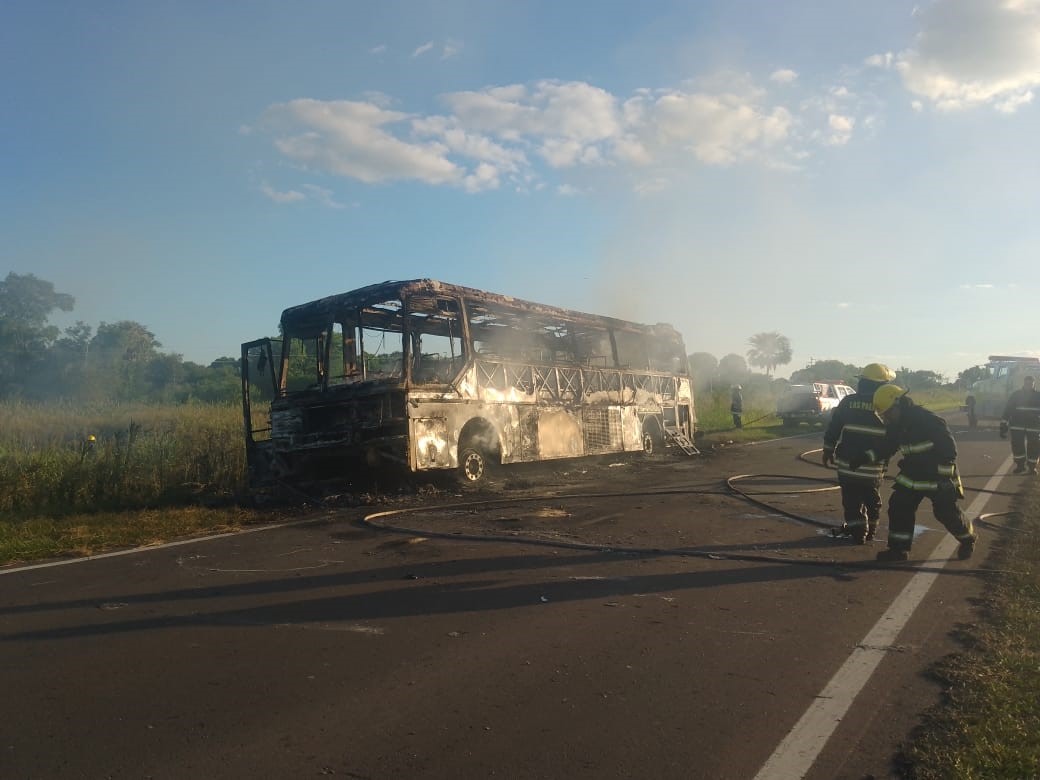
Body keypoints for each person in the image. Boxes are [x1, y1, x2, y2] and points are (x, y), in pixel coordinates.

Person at [849, 385, 976, 562]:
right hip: (912, 474)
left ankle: (968, 539)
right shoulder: (897, 424)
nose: (886, 418)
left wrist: (945, 478)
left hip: (937, 475)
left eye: (888, 413)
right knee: (899, 506)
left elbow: (949, 450)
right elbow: (887, 446)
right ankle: (898, 551)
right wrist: (864, 458)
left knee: (945, 513)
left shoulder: (928, 420)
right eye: (883, 415)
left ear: (899, 404)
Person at [822, 363, 896, 543]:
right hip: (873, 467)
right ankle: (871, 529)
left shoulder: (847, 402)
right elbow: (894, 436)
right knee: (872, 501)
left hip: (847, 466)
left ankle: (858, 533)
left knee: (851, 502)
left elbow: (834, 427)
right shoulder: (886, 405)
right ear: (882, 385)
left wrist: (828, 449)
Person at [1001, 375, 1040, 474]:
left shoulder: (1038, 396)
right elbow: (1008, 410)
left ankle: (1032, 467)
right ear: (1024, 383)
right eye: (1027, 383)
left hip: (1034, 427)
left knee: (1034, 447)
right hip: (1017, 426)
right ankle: (1020, 466)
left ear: (1034, 384)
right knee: (1017, 446)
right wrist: (1003, 424)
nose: (1028, 385)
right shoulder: (1016, 395)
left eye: (1030, 384)